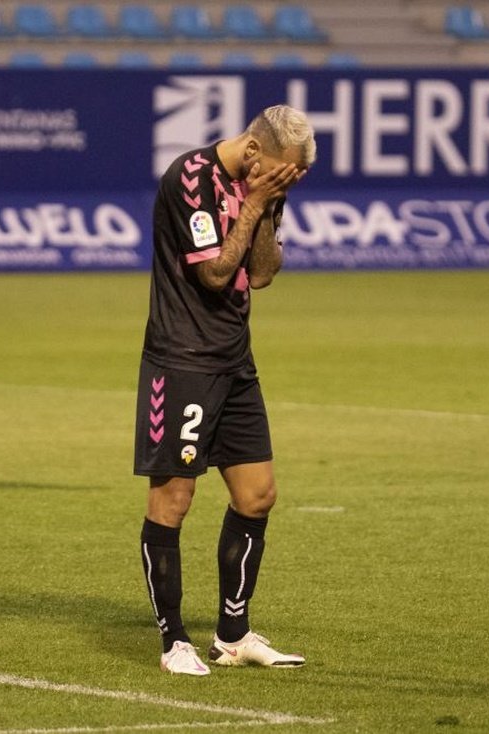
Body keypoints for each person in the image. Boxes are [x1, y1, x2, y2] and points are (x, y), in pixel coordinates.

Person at [134, 105, 316, 676]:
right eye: (284, 173)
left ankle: (233, 636)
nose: (288, 182)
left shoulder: (265, 182)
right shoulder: (190, 178)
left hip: (236, 360)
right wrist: (258, 202)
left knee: (257, 494)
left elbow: (260, 273)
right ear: (256, 150)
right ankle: (173, 642)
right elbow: (214, 273)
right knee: (173, 501)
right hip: (181, 360)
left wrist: (265, 204)